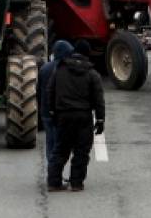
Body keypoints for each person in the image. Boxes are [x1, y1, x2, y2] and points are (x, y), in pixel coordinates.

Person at [45, 40, 105, 192]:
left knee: (60, 150)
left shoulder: (60, 70)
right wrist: (100, 119)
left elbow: (50, 91)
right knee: (81, 151)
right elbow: (98, 99)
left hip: (63, 116)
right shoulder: (92, 73)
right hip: (83, 117)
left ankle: (54, 182)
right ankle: (76, 183)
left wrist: (52, 111)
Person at [38, 40, 74, 165]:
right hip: (62, 112)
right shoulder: (67, 69)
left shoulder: (44, 69)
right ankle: (56, 171)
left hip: (46, 112)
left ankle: (51, 169)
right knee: (62, 143)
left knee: (50, 141)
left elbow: (39, 91)